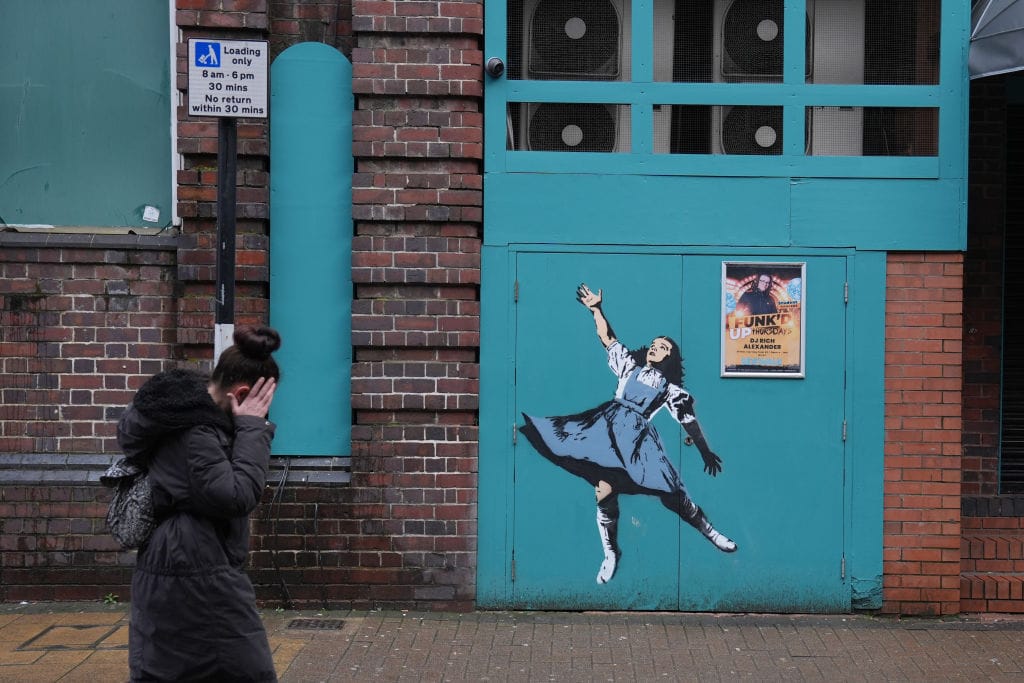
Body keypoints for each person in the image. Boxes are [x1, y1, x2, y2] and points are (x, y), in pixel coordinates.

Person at [519, 284, 736, 586]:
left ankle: (710, 532)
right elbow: (607, 338)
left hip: (636, 441)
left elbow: (688, 421)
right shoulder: (628, 368)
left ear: (670, 357)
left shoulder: (670, 389)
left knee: (671, 491)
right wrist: (596, 309)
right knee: (604, 490)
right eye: (653, 344)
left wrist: (705, 451)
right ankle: (611, 553)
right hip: (605, 430)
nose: (654, 347)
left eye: (662, 347)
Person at [117, 326, 282, 682]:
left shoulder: (187, 418)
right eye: (266, 403)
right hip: (195, 565)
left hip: (181, 560)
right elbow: (236, 496)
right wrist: (253, 427)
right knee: (247, 672)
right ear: (242, 393)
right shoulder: (197, 434)